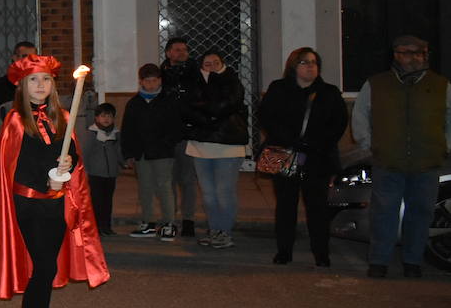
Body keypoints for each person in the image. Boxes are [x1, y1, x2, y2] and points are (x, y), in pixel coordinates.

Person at [0, 54, 109, 308]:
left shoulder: (63, 118)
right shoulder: (15, 120)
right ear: (23, 87)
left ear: (53, 86)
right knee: (43, 267)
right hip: (27, 203)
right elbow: (14, 166)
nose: (40, 85)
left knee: (47, 267)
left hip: (56, 205)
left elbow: (73, 156)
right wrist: (47, 180)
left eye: (46, 80)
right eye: (33, 80)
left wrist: (70, 163)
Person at [351, 35, 451, 278]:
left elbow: (449, 118)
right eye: (407, 52)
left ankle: (412, 261)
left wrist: (444, 145)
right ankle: (379, 261)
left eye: (419, 53)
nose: (414, 57)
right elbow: (361, 114)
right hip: (388, 160)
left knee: (420, 213)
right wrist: (369, 144)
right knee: (384, 212)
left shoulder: (441, 85)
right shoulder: (376, 84)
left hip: (426, 162)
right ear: (395, 55)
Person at [257, 48, 348, 266]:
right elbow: (267, 118)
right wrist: (289, 140)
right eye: (305, 62)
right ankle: (284, 251)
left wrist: (316, 143)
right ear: (293, 66)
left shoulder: (329, 92)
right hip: (286, 154)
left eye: (314, 63)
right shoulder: (279, 89)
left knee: (317, 207)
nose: (310, 67)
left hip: (317, 158)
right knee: (286, 206)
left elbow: (338, 123)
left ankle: (321, 252)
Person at [184, 50, 248, 250]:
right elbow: (188, 107)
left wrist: (209, 112)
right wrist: (207, 114)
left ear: (223, 64)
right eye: (207, 63)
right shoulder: (195, 83)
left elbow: (227, 104)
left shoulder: (231, 81)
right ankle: (214, 229)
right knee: (208, 193)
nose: (211, 66)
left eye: (215, 62)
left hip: (228, 145)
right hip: (201, 145)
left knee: (224, 191)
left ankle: (224, 231)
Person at [120, 64, 183, 240]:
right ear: (141, 82)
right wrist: (128, 153)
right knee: (145, 188)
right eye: (147, 81)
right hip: (141, 153)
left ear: (160, 81)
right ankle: (148, 222)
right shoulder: (134, 103)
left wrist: (166, 143)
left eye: (155, 80)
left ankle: (169, 223)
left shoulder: (168, 101)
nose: (151, 84)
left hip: (162, 152)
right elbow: (128, 130)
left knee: (164, 187)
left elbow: (176, 128)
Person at [160, 37, 203, 238]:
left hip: (187, 134)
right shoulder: (160, 75)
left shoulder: (195, 73)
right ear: (168, 53)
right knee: (168, 181)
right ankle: (170, 219)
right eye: (177, 50)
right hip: (167, 135)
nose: (181, 53)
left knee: (187, 180)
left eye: (185, 50)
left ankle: (188, 220)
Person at [80, 102, 124, 236]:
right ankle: (96, 227)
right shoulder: (91, 134)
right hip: (95, 174)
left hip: (111, 174)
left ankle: (106, 226)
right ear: (96, 118)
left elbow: (118, 151)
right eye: (103, 116)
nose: (106, 119)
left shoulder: (115, 134)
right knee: (96, 202)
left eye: (109, 116)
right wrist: (84, 171)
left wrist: (124, 162)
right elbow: (84, 153)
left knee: (107, 201)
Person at [0, 41, 37, 122]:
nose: (29, 61)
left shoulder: (40, 83)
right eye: (25, 56)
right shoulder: (2, 84)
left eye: (33, 57)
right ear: (15, 58)